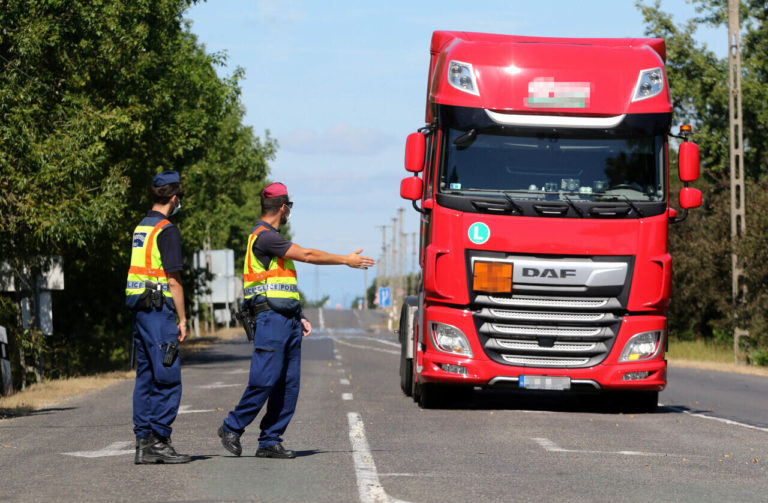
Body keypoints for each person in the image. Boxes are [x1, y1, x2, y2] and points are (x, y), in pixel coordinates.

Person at [218, 182, 374, 459]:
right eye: (288, 207)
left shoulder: (274, 239)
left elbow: (281, 285)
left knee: (288, 384)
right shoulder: (264, 237)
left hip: (286, 319)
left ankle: (270, 441)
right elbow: (308, 255)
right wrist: (345, 260)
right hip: (270, 321)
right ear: (282, 208)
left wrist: (298, 315)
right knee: (265, 379)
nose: (289, 211)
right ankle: (232, 427)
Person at [126, 170, 191, 464]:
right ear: (174, 198)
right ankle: (159, 441)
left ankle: (143, 443)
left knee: (146, 377)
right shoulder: (167, 230)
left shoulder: (142, 227)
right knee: (167, 377)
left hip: (140, 311)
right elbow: (173, 280)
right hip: (158, 312)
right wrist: (183, 319)